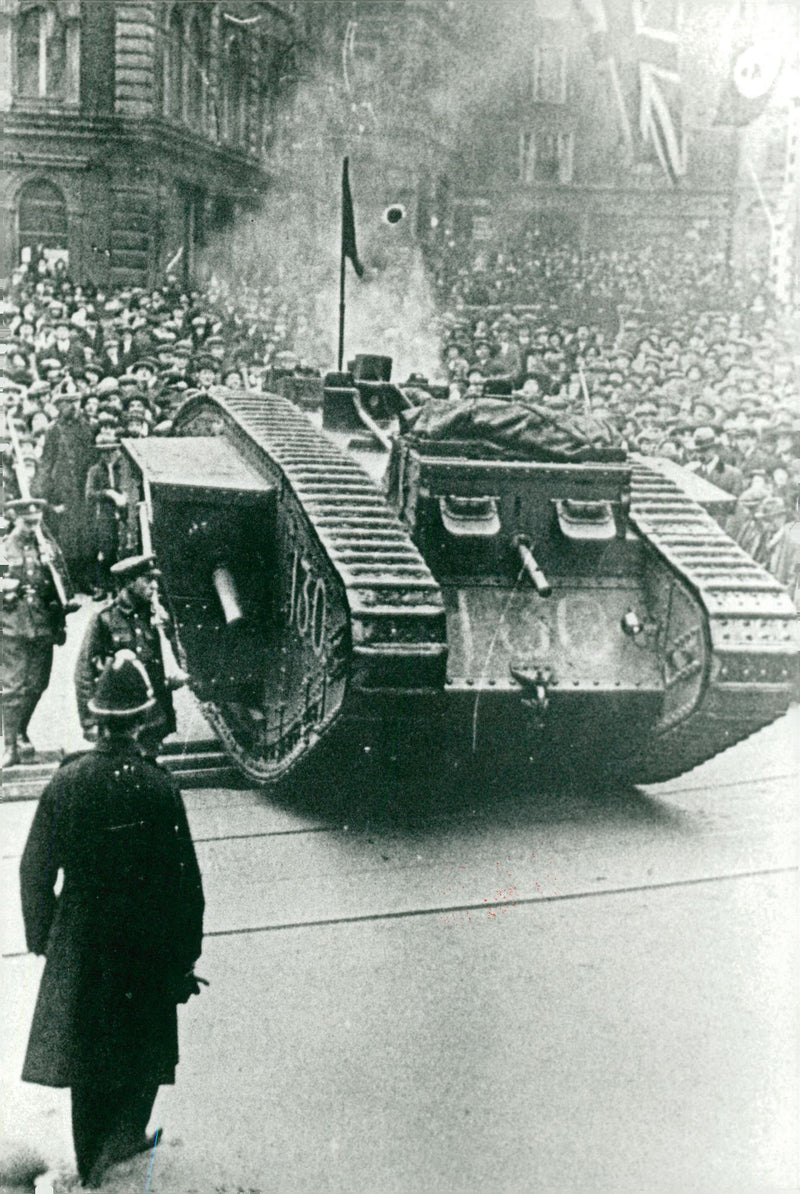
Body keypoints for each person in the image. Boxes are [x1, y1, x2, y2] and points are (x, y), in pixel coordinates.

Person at [19, 650, 205, 1188]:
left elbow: (34, 871)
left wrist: (47, 936)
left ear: (96, 720)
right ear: (145, 719)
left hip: (81, 944)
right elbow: (187, 890)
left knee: (87, 1063)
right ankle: (119, 1155)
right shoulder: (159, 787)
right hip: (145, 951)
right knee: (140, 1056)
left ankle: (94, 1162)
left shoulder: (68, 782)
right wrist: (183, 958)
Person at [75, 554, 179, 756]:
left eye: (155, 580)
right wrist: (89, 722)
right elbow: (84, 672)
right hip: (121, 716)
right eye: (148, 580)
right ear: (130, 583)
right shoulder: (105, 618)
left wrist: (168, 631)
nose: (155, 586)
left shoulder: (157, 615)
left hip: (153, 715)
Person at [1, 497, 72, 767]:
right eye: (27, 523)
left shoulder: (47, 547)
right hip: (12, 625)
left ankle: (21, 730)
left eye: (36, 522)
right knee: (12, 687)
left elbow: (62, 584)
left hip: (43, 625)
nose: (32, 528)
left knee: (37, 684)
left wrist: (63, 612)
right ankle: (9, 746)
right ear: (15, 519)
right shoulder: (3, 549)